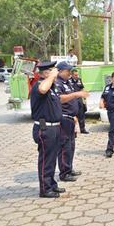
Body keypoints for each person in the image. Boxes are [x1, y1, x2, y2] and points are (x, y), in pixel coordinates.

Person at [30, 61, 64, 198]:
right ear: (45, 73)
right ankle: (45, 189)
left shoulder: (52, 87)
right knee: (45, 159)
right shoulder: (40, 84)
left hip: (54, 127)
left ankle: (51, 184)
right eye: (53, 71)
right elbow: (42, 89)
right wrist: (51, 77)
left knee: (51, 159)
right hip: (45, 129)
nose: (56, 73)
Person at [55, 61, 89, 182]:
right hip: (63, 119)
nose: (70, 72)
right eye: (67, 70)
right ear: (60, 71)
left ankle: (69, 168)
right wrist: (76, 94)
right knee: (64, 147)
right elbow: (59, 99)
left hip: (70, 118)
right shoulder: (57, 83)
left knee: (71, 146)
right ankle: (64, 173)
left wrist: (74, 116)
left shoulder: (67, 82)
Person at [70, 69, 89, 134]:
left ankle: (82, 129)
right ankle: (73, 130)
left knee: (81, 114)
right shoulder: (68, 81)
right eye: (75, 75)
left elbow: (82, 88)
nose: (77, 76)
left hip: (79, 99)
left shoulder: (79, 80)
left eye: (77, 75)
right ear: (72, 75)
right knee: (72, 114)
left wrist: (84, 98)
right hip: (72, 99)